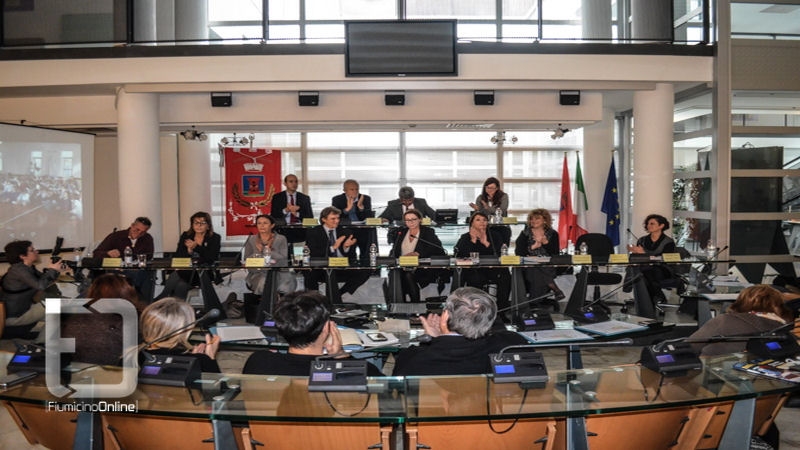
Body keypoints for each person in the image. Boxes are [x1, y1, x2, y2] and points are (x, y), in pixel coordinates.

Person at [392, 287, 528, 376]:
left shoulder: (411, 358)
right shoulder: (513, 345)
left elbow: (400, 393)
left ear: (445, 317)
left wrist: (431, 341)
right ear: (491, 320)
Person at [243, 291, 383, 376]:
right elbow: (389, 398)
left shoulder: (258, 361)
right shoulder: (361, 371)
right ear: (326, 328)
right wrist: (341, 355)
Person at [60, 273, 144, 365]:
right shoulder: (129, 320)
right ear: (126, 292)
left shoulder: (74, 318)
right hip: (115, 371)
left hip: (78, 371)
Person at [689, 285, 794, 356]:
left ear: (741, 302)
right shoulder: (785, 328)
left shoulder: (724, 321)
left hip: (711, 373)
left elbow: (690, 347)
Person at [1, 240, 67, 338]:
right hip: (14, 316)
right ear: (22, 256)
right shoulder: (19, 270)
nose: (37, 251)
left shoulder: (28, 268)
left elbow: (45, 280)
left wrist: (56, 270)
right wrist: (52, 270)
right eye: (32, 250)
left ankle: (43, 341)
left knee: (61, 310)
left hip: (23, 309)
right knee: (59, 306)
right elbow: (40, 286)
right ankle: (42, 343)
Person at [304, 206, 371, 302]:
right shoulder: (313, 232)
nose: (336, 221)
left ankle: (339, 294)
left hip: (341, 267)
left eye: (338, 218)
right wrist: (333, 247)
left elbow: (352, 256)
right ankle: (314, 300)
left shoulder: (346, 231)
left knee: (366, 271)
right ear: (324, 219)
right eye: (333, 219)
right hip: (321, 268)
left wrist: (346, 247)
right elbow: (313, 253)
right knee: (309, 272)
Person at [139, 297, 221, 373]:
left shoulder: (136, 355)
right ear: (185, 328)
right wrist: (209, 358)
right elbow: (218, 384)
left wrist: (191, 362)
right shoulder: (201, 360)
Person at [156, 211, 221, 301]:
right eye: (196, 223)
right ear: (192, 225)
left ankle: (161, 298)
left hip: (202, 273)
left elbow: (211, 258)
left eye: (202, 223)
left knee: (178, 276)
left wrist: (196, 247)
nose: (199, 226)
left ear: (208, 226)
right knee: (181, 285)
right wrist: (188, 252)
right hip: (185, 271)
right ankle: (174, 305)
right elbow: (178, 256)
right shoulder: (186, 235)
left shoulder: (215, 237)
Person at [454, 212, 511, 311]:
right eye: (478, 220)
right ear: (472, 223)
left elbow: (500, 254)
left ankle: (501, 310)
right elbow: (460, 255)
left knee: (505, 276)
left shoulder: (495, 236)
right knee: (475, 278)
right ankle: (477, 309)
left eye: (484, 220)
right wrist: (473, 241)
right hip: (474, 269)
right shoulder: (465, 237)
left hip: (492, 268)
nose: (482, 222)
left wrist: (486, 243)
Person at [389, 209, 449, 302]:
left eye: (413, 219)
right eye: (407, 220)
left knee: (408, 275)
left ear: (420, 219)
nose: (411, 222)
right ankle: (399, 304)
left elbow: (437, 249)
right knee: (396, 274)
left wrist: (418, 253)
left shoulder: (428, 232)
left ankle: (415, 304)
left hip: (422, 267)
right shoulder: (401, 232)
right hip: (402, 266)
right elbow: (395, 250)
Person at [92, 216, 155, 300]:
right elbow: (96, 253)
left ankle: (142, 303)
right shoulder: (116, 236)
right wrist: (108, 253)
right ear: (132, 225)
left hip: (137, 270)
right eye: (137, 230)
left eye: (143, 232)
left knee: (147, 275)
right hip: (117, 270)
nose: (139, 233)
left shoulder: (147, 238)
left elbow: (149, 256)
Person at [514, 208, 564, 310]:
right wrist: (533, 247)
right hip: (529, 264)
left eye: (537, 218)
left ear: (545, 220)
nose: (533, 221)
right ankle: (553, 287)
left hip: (547, 263)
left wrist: (545, 243)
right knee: (535, 269)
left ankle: (534, 303)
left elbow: (555, 253)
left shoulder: (553, 234)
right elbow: (518, 252)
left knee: (538, 270)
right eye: (531, 219)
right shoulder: (525, 233)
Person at [626, 214, 677, 305]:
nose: (648, 226)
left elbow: (664, 258)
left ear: (661, 226)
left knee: (647, 273)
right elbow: (637, 258)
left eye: (652, 223)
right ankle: (654, 297)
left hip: (662, 269)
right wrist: (634, 252)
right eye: (648, 224)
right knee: (641, 271)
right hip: (644, 268)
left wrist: (644, 253)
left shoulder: (668, 242)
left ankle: (649, 299)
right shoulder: (642, 240)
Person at [243, 214, 297, 296]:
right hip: (258, 273)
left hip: (279, 272)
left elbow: (283, 259)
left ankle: (281, 302)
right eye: (259, 223)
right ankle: (265, 303)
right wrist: (258, 255)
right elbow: (247, 260)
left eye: (265, 223)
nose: (262, 226)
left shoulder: (281, 238)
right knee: (264, 282)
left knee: (285, 285)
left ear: (272, 225)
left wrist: (266, 251)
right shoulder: (251, 239)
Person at [331, 179, 375, 265]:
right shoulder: (337, 199)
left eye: (357, 189)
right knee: (349, 251)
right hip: (346, 229)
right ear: (345, 190)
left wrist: (361, 208)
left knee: (366, 245)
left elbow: (369, 217)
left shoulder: (365, 198)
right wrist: (347, 209)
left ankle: (365, 267)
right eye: (352, 189)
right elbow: (335, 216)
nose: (355, 191)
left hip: (362, 229)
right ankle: (351, 266)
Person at [270, 174, 313, 245]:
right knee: (284, 250)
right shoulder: (277, 197)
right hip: (282, 230)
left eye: (296, 182)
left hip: (300, 231)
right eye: (291, 181)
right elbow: (273, 215)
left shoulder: (304, 198)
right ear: (285, 183)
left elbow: (310, 217)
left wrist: (297, 214)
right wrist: (286, 210)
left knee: (300, 251)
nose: (294, 184)